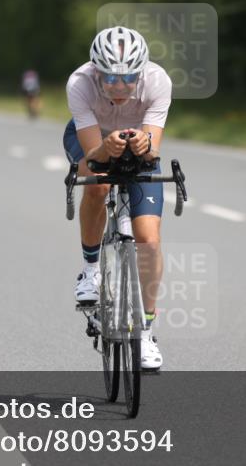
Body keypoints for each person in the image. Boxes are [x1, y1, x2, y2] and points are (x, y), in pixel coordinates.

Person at [63, 26, 171, 370]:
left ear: (142, 71)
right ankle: (90, 271)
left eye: (129, 78)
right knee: (97, 183)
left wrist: (145, 145)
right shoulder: (79, 83)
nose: (120, 86)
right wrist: (105, 148)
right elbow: (93, 156)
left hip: (138, 141)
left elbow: (152, 152)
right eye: (110, 78)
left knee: (149, 240)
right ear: (96, 71)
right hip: (93, 139)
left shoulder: (158, 81)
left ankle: (146, 332)